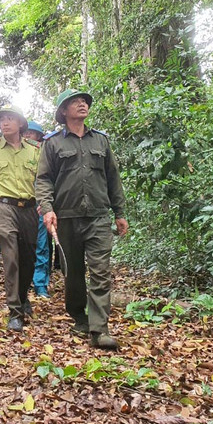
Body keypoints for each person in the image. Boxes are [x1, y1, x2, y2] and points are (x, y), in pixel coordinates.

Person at [35, 89, 129, 350]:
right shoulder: (52, 143)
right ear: (63, 111)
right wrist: (47, 208)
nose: (82, 104)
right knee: (72, 271)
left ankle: (99, 329)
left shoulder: (100, 141)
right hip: (66, 217)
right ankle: (79, 316)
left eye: (85, 101)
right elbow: (43, 180)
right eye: (75, 102)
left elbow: (113, 178)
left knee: (101, 271)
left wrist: (119, 213)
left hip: (98, 217)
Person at [0, 105, 41, 331]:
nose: (5, 122)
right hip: (4, 207)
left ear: (20, 123)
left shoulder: (35, 150)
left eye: (9, 118)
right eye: (1, 119)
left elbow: (44, 181)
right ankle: (15, 311)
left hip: (31, 209)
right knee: (11, 258)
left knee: (28, 258)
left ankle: (22, 296)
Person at [23, 121, 51, 298]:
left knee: (41, 246)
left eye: (31, 134)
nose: (27, 137)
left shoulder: (46, 153)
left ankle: (40, 284)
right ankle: (23, 282)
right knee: (24, 246)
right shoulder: (16, 152)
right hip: (21, 207)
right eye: (25, 133)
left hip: (41, 206)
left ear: (39, 137)